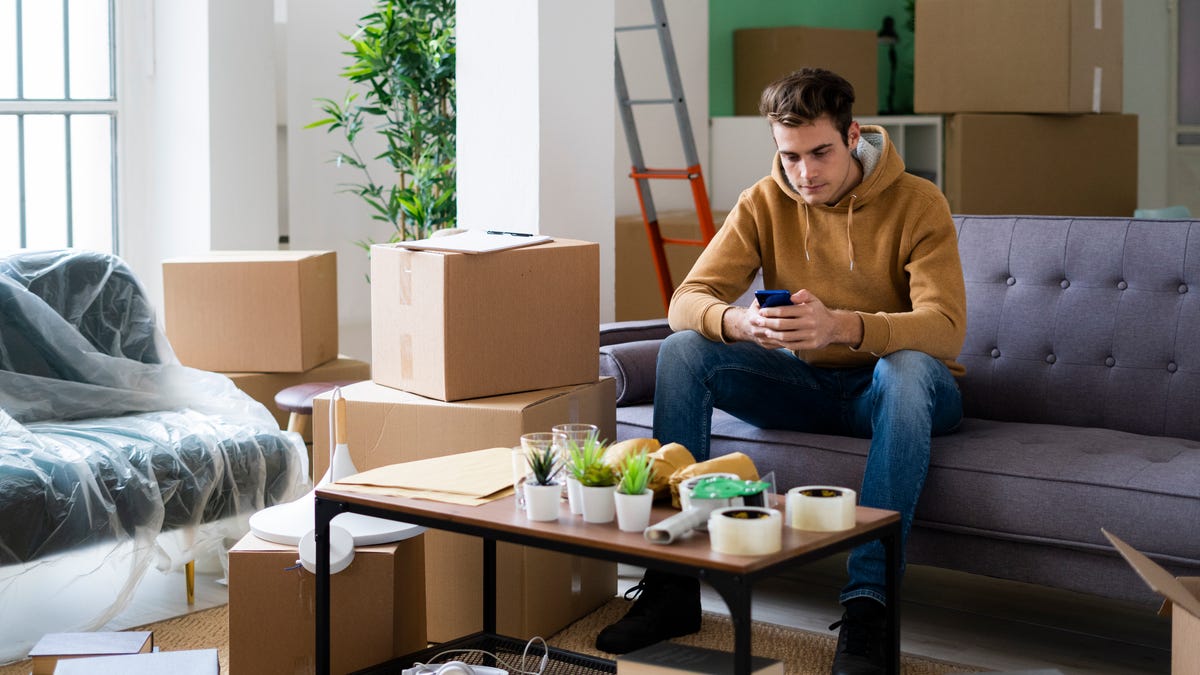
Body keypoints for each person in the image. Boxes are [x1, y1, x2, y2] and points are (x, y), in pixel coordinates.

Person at [595, 68, 967, 675]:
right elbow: (685, 300)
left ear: (851, 137)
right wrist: (740, 324)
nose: (804, 173)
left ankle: (869, 606)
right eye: (789, 156)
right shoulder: (764, 201)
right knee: (683, 349)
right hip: (808, 386)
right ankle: (670, 588)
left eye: (819, 152)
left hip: (901, 391)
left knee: (904, 368)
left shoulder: (919, 202)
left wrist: (843, 326)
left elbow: (946, 326)